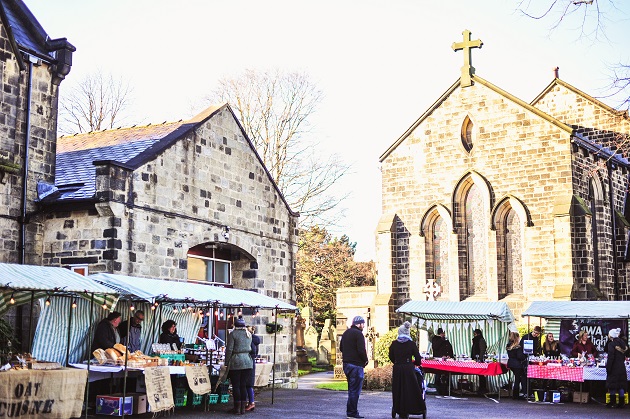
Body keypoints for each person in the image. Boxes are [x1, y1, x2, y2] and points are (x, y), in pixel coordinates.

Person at [389, 321, 425, 419]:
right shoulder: (411, 344)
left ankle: (399, 408)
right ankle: (412, 407)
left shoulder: (394, 344)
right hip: (408, 368)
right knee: (410, 388)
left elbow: (391, 356)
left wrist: (397, 362)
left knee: (398, 389)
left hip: (397, 368)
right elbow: (418, 358)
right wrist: (416, 364)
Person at [340, 316, 368, 419]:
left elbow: (341, 348)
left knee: (351, 389)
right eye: (362, 324)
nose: (363, 326)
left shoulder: (346, 333)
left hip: (346, 364)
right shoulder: (358, 334)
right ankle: (352, 413)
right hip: (356, 365)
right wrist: (365, 360)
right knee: (355, 390)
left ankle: (350, 412)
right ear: (359, 324)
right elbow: (361, 350)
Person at [224, 316, 253, 415]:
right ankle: (243, 409)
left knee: (236, 386)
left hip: (236, 362)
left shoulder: (233, 334)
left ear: (235, 325)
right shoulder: (249, 334)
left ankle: (237, 408)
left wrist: (226, 362)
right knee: (243, 385)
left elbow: (229, 350)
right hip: (248, 362)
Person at [606, 328, 628, 409]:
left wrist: (608, 367)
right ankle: (621, 402)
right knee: (621, 384)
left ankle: (612, 402)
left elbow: (611, 357)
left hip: (614, 366)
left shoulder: (611, 344)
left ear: (611, 335)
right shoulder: (623, 343)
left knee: (612, 384)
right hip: (621, 366)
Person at [506, 331, 527, 400]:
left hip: (511, 363)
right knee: (518, 379)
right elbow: (520, 356)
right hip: (517, 364)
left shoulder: (508, 345)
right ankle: (516, 395)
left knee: (517, 378)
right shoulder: (518, 347)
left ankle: (515, 394)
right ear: (517, 337)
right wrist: (525, 357)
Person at [245, 325, 260, 412]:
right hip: (252, 361)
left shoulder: (249, 340)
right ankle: (250, 402)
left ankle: (251, 402)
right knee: (249, 384)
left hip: (248, 362)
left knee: (248, 384)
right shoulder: (255, 340)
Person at [471, 329, 488, 394]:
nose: (474, 335)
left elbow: (482, 350)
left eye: (475, 334)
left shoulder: (481, 340)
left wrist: (480, 359)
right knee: (480, 374)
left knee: (481, 374)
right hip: (476, 359)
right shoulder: (476, 340)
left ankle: (483, 388)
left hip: (480, 360)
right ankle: (481, 388)